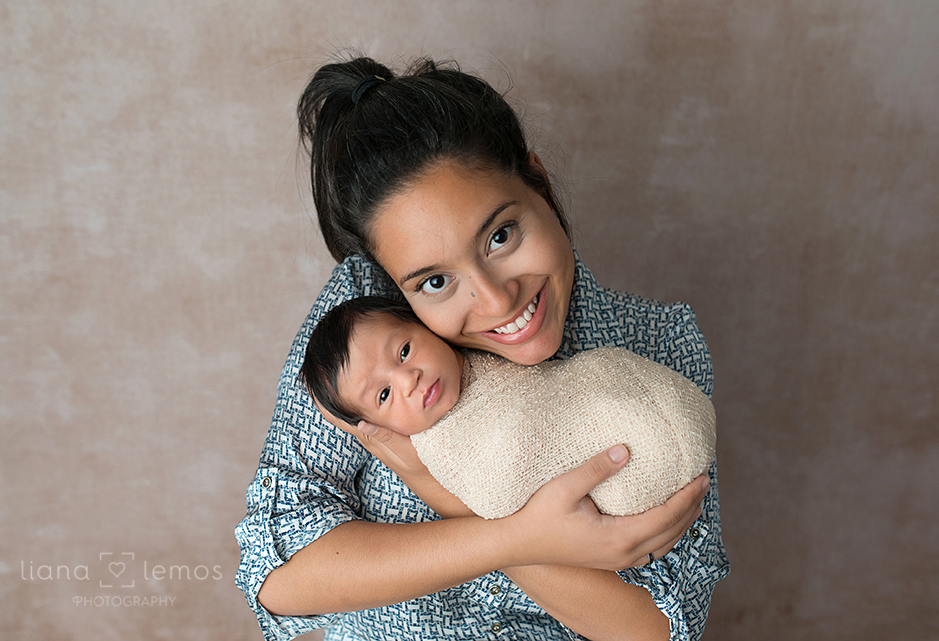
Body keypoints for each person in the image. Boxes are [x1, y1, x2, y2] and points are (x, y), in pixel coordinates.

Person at [235, 55, 729, 641]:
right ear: (392, 283)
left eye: (500, 236)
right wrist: (520, 536)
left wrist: (453, 499)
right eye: (434, 282)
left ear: (538, 182)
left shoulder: (657, 343)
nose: (496, 301)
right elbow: (280, 578)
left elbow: (658, 629)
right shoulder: (364, 330)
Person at [299, 295, 717, 520]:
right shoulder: (438, 447)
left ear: (423, 324)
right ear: (374, 426)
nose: (408, 380)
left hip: (623, 399)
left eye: (405, 350)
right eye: (384, 395)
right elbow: (492, 498)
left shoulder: (483, 347)